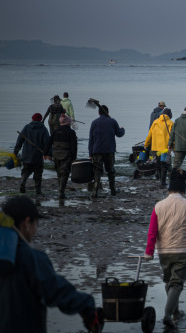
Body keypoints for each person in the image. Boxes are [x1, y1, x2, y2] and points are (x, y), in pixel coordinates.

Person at [0, 196, 101, 332]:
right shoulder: (31, 257)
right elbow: (57, 291)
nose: (35, 230)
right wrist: (87, 306)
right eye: (36, 224)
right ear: (27, 222)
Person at [145, 169, 186, 328]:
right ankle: (168, 315)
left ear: (169, 188)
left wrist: (149, 251)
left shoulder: (159, 206)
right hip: (183, 250)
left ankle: (176, 313)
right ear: (184, 189)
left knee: (169, 282)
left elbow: (152, 231)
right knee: (176, 284)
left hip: (164, 251)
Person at [89, 104, 125, 198]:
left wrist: (90, 153)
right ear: (107, 112)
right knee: (110, 171)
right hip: (109, 150)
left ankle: (95, 192)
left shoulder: (94, 123)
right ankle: (113, 191)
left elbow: (91, 140)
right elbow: (119, 134)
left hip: (97, 151)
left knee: (97, 171)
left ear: (99, 113)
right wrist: (123, 129)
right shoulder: (112, 121)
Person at [14, 113, 52, 196]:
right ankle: (38, 191)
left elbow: (19, 141)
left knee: (26, 171)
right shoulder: (44, 129)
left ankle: (23, 182)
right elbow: (47, 143)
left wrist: (15, 152)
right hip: (38, 156)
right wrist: (48, 154)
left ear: (32, 119)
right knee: (38, 174)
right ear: (40, 120)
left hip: (27, 155)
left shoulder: (27, 127)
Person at [49, 114, 78, 199]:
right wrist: (74, 157)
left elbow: (49, 143)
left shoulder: (55, 131)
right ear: (68, 123)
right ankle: (61, 190)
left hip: (56, 155)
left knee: (59, 173)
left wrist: (46, 153)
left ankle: (60, 189)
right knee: (65, 173)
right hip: (66, 155)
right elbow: (74, 146)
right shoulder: (71, 132)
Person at [146, 108, 175, 187]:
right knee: (164, 165)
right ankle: (163, 182)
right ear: (170, 114)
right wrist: (174, 147)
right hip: (166, 148)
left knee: (158, 164)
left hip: (156, 147)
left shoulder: (155, 122)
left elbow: (149, 135)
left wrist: (146, 144)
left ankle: (160, 180)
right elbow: (173, 137)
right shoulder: (171, 123)